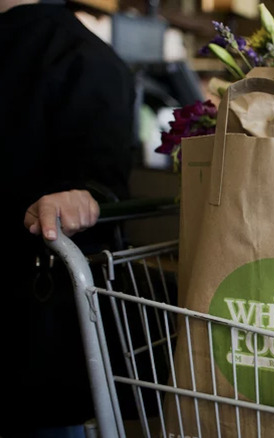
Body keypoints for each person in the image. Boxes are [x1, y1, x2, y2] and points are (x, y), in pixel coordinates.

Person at [0, 0, 135, 435]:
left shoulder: (82, 58)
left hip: (33, 320)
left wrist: (84, 197)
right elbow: (104, 184)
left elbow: (98, 190)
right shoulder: (89, 59)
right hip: (38, 330)